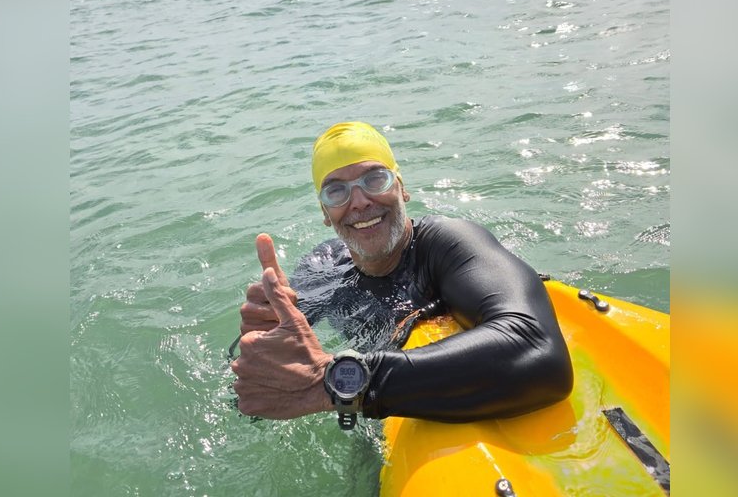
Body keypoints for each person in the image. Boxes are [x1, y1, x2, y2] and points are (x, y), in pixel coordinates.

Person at [231, 121, 572, 425]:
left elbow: (539, 350)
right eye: (337, 191)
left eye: (374, 179)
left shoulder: (446, 243)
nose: (360, 201)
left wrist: (338, 382)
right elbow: (259, 388)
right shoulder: (323, 266)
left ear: (401, 187)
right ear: (325, 212)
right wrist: (259, 341)